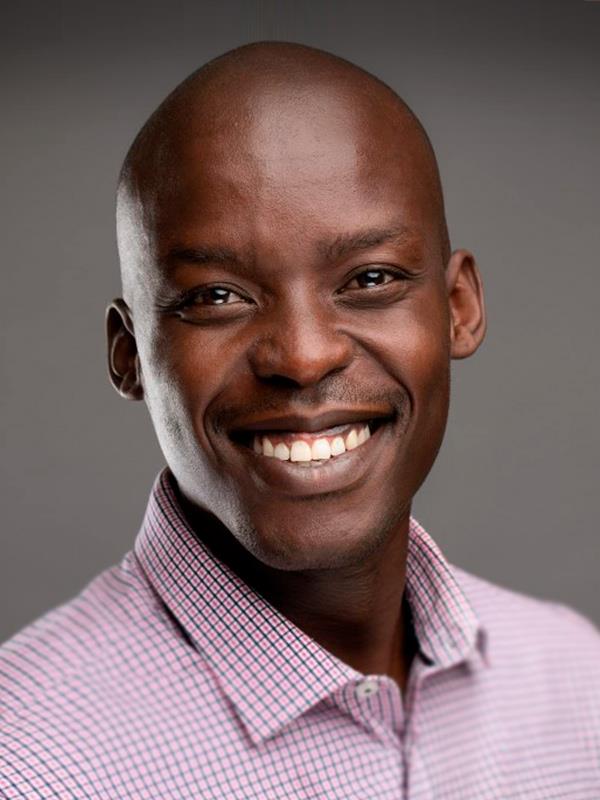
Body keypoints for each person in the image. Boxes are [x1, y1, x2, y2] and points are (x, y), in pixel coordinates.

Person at [1, 41, 598, 800]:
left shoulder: (577, 684)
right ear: (130, 355)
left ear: (458, 308)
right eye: (216, 297)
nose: (305, 356)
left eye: (370, 279)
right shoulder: (27, 764)